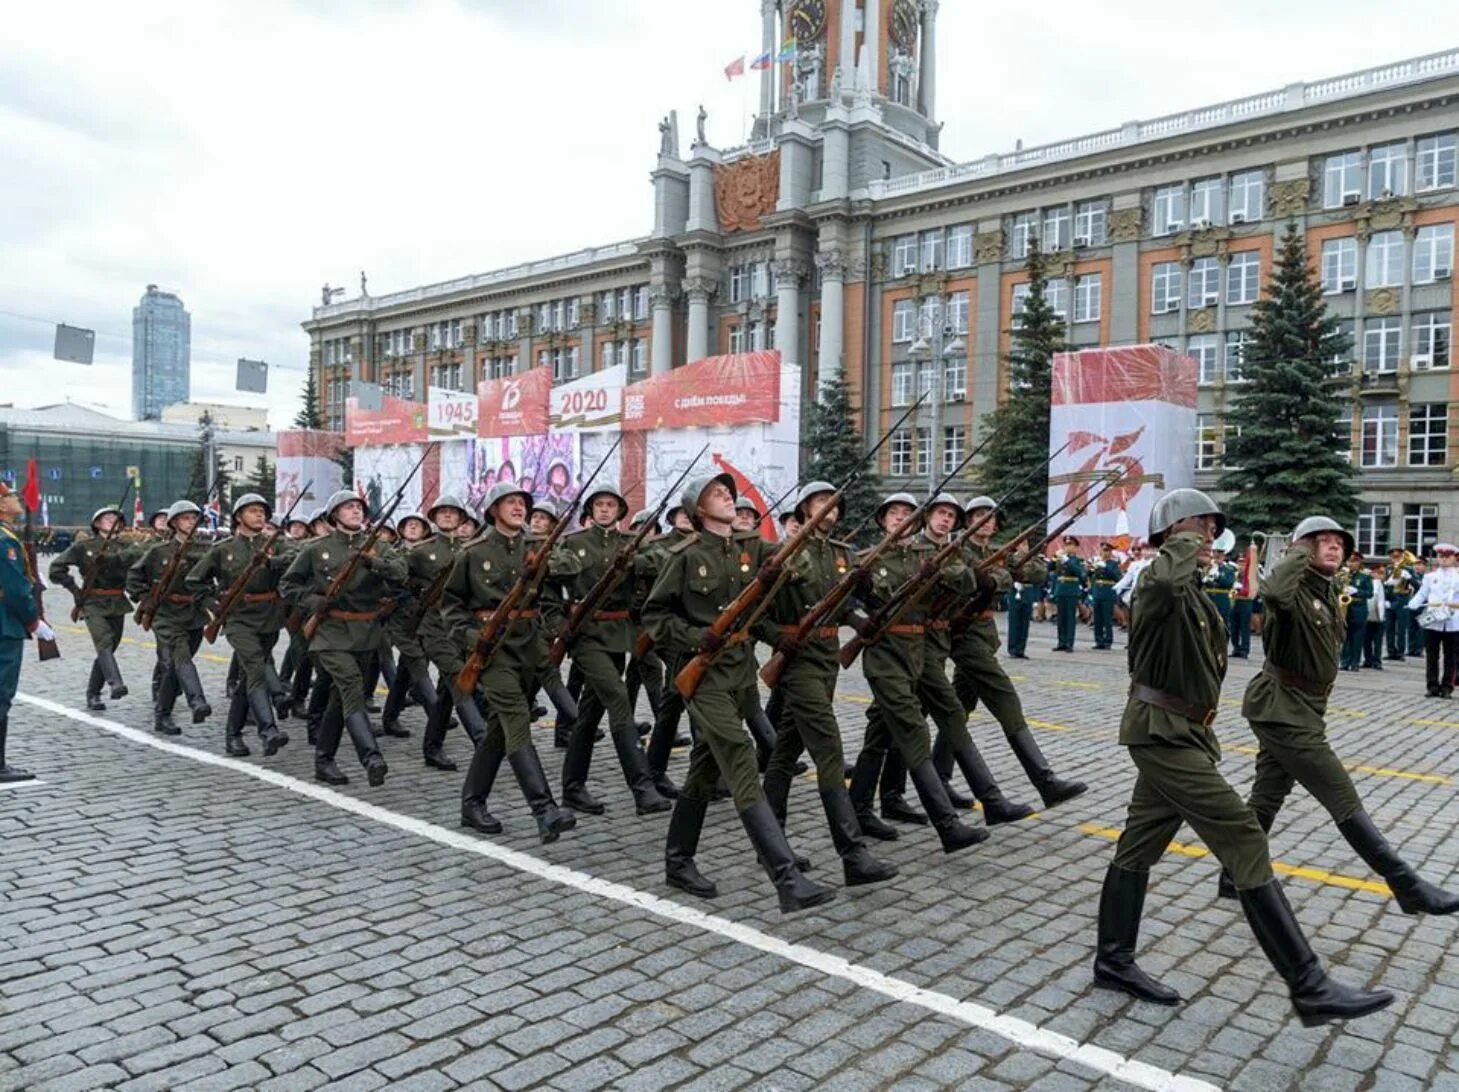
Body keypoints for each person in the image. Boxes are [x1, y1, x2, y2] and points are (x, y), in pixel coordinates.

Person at [1094, 488, 1392, 1027]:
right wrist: (1181, 539)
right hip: (1161, 736)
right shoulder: (1156, 587)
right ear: (1173, 535)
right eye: (1199, 529)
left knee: (1139, 845)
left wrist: (1188, 540)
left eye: (1211, 530)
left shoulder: (1195, 597)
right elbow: (1163, 578)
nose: (1210, 539)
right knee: (1244, 836)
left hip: (1183, 735)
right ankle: (1309, 984)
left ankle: (1112, 960)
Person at [1214, 516, 1459, 917]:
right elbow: (1272, 591)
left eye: (1337, 542)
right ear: (1302, 549)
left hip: (1303, 709)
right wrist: (1297, 548)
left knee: (1267, 797)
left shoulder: (1327, 591)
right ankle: (1406, 884)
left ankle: (1232, 875)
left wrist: (1310, 548)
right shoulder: (1292, 590)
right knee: (1341, 797)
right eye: (1320, 541)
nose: (1332, 547)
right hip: (1283, 710)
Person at [643, 473, 835, 912]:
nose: (727, 496)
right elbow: (654, 616)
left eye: (728, 492)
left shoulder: (751, 547)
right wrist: (697, 638)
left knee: (704, 768)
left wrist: (788, 557)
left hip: (739, 671)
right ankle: (786, 877)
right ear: (698, 510)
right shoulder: (685, 556)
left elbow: (796, 565)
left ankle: (677, 860)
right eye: (717, 493)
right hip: (704, 675)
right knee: (739, 753)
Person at [759, 481, 898, 888]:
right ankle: (852, 855)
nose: (828, 510)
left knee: (785, 750)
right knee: (830, 753)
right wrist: (774, 638)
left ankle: (771, 843)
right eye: (821, 503)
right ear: (803, 508)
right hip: (796, 659)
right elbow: (754, 609)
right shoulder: (783, 552)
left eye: (834, 505)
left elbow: (848, 607)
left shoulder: (842, 554)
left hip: (826, 659)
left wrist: (864, 615)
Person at [844, 492, 987, 851]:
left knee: (879, 733)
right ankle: (947, 824)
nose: (900, 518)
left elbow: (969, 584)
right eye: (893, 513)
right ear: (883, 520)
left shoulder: (931, 556)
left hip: (917, 656)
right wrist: (860, 619)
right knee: (913, 730)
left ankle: (858, 808)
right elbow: (842, 602)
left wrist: (941, 571)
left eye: (907, 513)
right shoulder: (866, 560)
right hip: (884, 656)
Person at [443, 482, 579, 842]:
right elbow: (451, 607)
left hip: (529, 646)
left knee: (498, 730)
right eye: (511, 502)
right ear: (492, 509)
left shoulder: (536, 545)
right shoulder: (473, 552)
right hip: (493, 649)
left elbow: (570, 567)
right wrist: (474, 640)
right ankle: (544, 809)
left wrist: (546, 557)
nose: (519, 507)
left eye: (522, 503)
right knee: (517, 720)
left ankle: (472, 803)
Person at [946, 495, 1084, 815]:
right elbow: (978, 583)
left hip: (983, 633)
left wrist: (1026, 556)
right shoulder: (960, 550)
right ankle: (1044, 781)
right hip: (963, 635)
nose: (987, 521)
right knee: (1006, 699)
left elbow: (1035, 576)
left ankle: (940, 777)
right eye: (980, 515)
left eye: (992, 516)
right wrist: (1004, 575)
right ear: (968, 521)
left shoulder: (996, 551)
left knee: (959, 708)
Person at [555, 482, 672, 817]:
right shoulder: (573, 543)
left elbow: (661, 560)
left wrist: (634, 561)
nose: (605, 509)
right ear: (590, 511)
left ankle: (573, 787)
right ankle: (642, 788)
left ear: (620, 512)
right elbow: (556, 570)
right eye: (599, 504)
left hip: (618, 636)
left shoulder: (629, 544)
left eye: (611, 505)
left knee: (590, 713)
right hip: (587, 635)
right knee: (619, 699)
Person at [279, 490, 407, 786]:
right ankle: (371, 756)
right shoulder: (316, 548)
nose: (355, 511)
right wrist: (313, 603)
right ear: (334, 515)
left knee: (340, 698)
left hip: (366, 635)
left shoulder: (377, 547)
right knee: (350, 685)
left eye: (358, 507)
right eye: (348, 507)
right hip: (330, 633)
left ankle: (324, 760)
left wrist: (372, 562)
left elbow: (401, 573)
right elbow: (288, 584)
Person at [185, 493, 291, 757]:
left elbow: (294, 562)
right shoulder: (223, 549)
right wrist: (213, 604)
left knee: (248, 679)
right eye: (253, 511)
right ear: (238, 517)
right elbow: (194, 580)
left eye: (263, 511)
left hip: (269, 617)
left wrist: (270, 561)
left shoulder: (275, 545)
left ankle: (232, 735)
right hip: (238, 618)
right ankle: (268, 730)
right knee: (255, 668)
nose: (260, 515)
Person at [127, 500, 213, 735]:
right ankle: (197, 701)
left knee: (176, 668)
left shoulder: (203, 551)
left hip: (194, 613)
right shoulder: (158, 552)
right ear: (174, 523)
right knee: (181, 656)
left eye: (194, 518)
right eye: (186, 518)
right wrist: (145, 599)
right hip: (165, 614)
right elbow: (134, 577)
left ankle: (162, 714)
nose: (191, 522)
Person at [48, 505, 141, 710]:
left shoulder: (128, 547)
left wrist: (110, 559)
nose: (111, 519)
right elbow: (56, 569)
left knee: (110, 646)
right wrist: (74, 589)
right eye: (105, 517)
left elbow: (136, 564)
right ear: (96, 523)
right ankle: (115, 683)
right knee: (103, 642)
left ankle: (93, 692)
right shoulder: (84, 546)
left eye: (115, 517)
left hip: (117, 601)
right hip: (92, 601)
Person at [0, 482, 53, 782]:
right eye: (9, 496)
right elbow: (15, 590)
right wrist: (34, 622)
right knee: (1, 692)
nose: (16, 499)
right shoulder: (3, 540)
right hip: (5, 623)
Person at [1408, 544, 1459, 698]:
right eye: (1440, 556)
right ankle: (1432, 686)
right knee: (1432, 655)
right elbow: (1423, 593)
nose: (1443, 559)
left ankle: (1447, 687)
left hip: (1453, 621)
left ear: (1454, 558)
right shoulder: (1430, 577)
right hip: (1433, 620)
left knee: (1451, 656)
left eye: (1447, 557)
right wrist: (1414, 602)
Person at [1337, 552, 1371, 672]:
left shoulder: (1365, 576)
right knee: (1345, 637)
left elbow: (1369, 593)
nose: (1351, 564)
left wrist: (1356, 591)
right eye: (1349, 561)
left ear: (1359, 563)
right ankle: (1344, 661)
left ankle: (1355, 662)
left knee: (1357, 638)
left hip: (1359, 609)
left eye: (1354, 562)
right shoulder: (1342, 575)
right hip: (1345, 609)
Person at [1051, 536, 1084, 651]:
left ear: (1075, 547)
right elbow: (1054, 574)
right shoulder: (1061, 559)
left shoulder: (1078, 560)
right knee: (1061, 618)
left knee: (1070, 618)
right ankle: (1061, 642)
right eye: (1066, 545)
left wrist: (1067, 561)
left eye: (1070, 545)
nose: (1068, 547)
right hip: (1061, 590)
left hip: (1071, 591)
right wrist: (1053, 591)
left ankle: (1069, 643)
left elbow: (1079, 573)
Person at [1383, 549, 1417, 661]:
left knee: (1401, 627)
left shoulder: (1408, 569)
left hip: (1402, 598)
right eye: (1394, 557)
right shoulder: (1388, 569)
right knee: (1389, 627)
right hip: (1390, 599)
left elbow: (1417, 586)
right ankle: (1391, 651)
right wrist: (1385, 598)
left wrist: (1409, 578)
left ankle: (1400, 652)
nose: (1396, 559)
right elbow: (1383, 585)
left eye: (1398, 557)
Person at [1089, 541, 1121, 650]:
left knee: (1107, 619)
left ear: (1110, 552)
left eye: (1107, 551)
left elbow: (1116, 577)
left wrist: (1105, 568)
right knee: (1097, 619)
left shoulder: (1113, 564)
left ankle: (1108, 641)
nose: (1105, 553)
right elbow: (1091, 576)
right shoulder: (1097, 563)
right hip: (1098, 592)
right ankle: (1099, 640)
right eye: (1103, 551)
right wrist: (1091, 568)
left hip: (1108, 593)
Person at [1362, 558, 1387, 670]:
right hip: (1369, 613)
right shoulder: (1368, 582)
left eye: (1382, 573)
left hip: (1381, 615)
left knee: (1378, 640)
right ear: (1372, 572)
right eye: (1378, 573)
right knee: (1366, 639)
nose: (1381, 575)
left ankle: (1377, 661)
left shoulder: (1387, 584)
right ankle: (1368, 659)